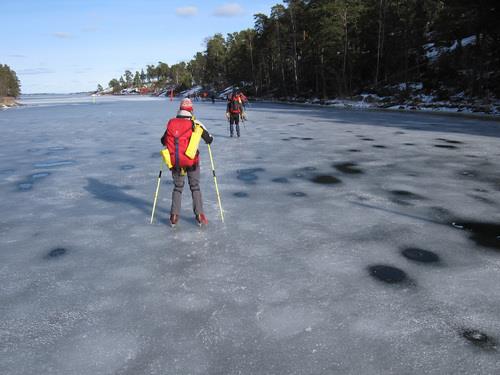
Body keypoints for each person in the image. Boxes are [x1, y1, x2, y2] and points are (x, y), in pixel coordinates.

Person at [160, 98, 213, 227]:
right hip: (192, 161)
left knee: (178, 188)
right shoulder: (195, 123)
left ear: (180, 109)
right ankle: (199, 215)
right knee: (195, 187)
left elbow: (163, 141)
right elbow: (209, 139)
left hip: (176, 162)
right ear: (191, 110)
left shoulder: (171, 124)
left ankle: (173, 217)